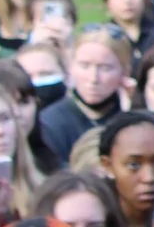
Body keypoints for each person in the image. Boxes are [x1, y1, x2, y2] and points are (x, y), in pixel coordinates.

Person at [36, 26, 129, 177]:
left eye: (105, 68)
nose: (93, 78)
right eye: (84, 66)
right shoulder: (51, 122)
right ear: (71, 67)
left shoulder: (132, 116)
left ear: (124, 72)